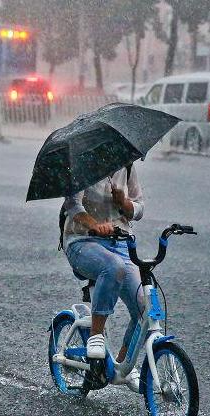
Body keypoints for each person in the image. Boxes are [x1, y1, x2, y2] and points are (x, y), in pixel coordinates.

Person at [62, 164, 144, 392]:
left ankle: (123, 366)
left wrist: (125, 203)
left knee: (143, 308)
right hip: (82, 241)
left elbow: (139, 208)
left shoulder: (127, 166)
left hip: (120, 243)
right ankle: (96, 336)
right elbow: (72, 205)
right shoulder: (82, 165)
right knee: (113, 267)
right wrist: (95, 226)